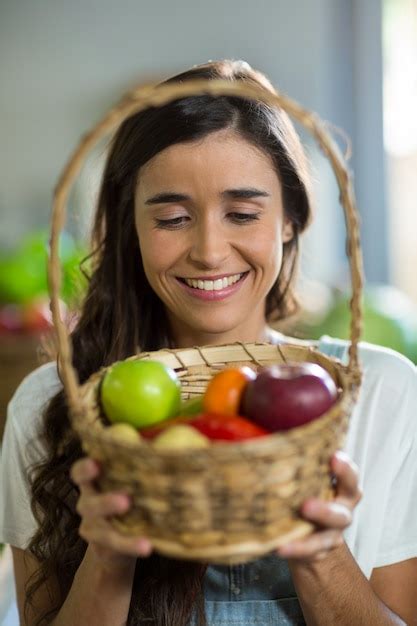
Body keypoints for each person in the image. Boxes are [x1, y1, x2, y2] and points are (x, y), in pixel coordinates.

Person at [0, 59, 416, 626]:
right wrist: (108, 558)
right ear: (133, 227)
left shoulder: (383, 394)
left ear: (290, 219)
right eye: (172, 218)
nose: (210, 251)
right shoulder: (53, 404)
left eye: (242, 213)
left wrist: (321, 554)